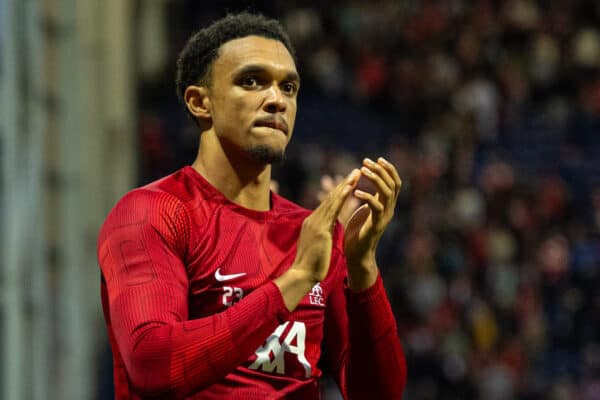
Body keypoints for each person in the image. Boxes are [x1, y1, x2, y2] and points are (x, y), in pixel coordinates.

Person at [97, 12, 407, 399]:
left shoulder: (310, 235)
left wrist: (362, 268)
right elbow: (154, 363)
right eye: (251, 81)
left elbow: (377, 393)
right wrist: (293, 282)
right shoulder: (152, 212)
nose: (276, 100)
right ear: (199, 102)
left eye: (289, 88)